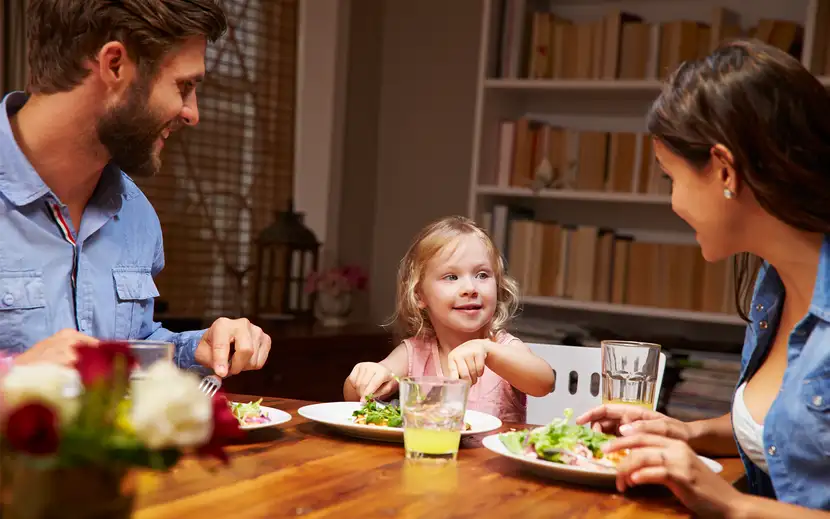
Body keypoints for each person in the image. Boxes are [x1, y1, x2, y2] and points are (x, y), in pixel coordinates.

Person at [576, 39, 830, 517]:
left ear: (724, 169)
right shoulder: (770, 289)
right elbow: (793, 431)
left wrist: (735, 507)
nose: (673, 203)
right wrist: (687, 433)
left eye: (671, 177)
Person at [0, 0, 271, 377]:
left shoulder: (135, 212)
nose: (192, 113)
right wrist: (15, 375)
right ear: (114, 64)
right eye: (184, 85)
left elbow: (128, 350)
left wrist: (201, 348)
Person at [344, 216, 554, 422]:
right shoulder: (415, 353)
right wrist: (367, 376)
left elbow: (545, 382)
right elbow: (352, 397)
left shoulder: (501, 347)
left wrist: (488, 351)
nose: (470, 289)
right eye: (451, 277)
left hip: (491, 458)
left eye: (482, 275)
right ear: (419, 295)